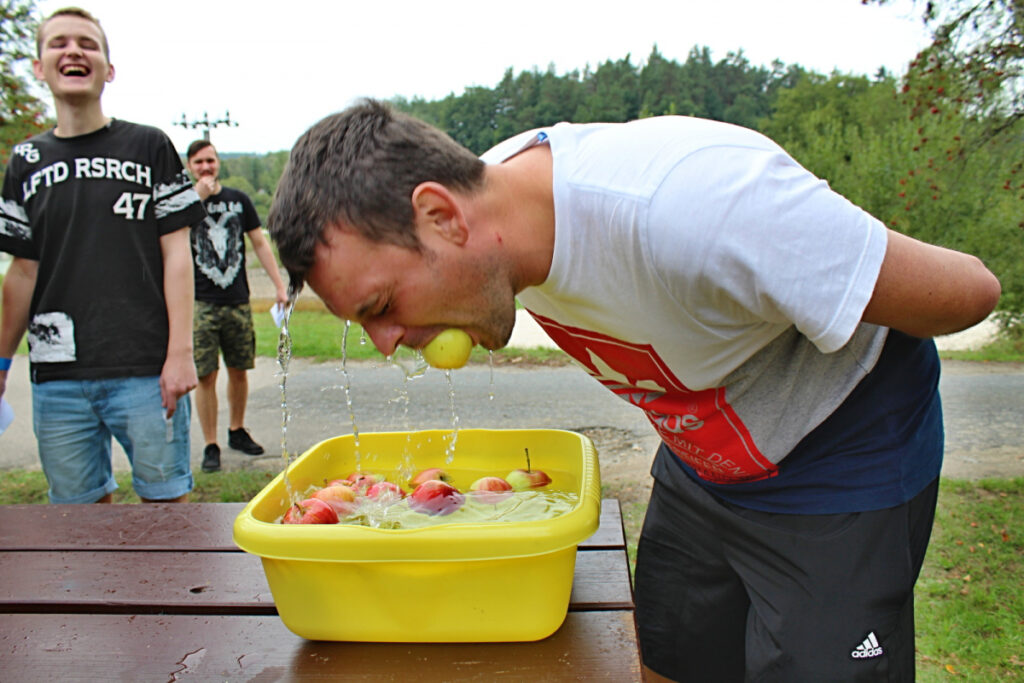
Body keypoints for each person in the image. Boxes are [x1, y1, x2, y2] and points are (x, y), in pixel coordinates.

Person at [265, 99, 1000, 681]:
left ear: (442, 217)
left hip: (842, 462)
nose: (385, 342)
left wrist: (827, 267)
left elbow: (971, 291)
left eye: (381, 306)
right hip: (700, 462)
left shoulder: (696, 207)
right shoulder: (493, 217)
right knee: (666, 661)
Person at [0, 7, 206, 504]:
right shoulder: (25, 161)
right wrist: (1, 362)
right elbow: (22, 272)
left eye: (87, 44)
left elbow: (177, 254)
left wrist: (180, 354)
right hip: (58, 377)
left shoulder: (149, 145)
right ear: (39, 67)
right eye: (59, 43)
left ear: (109, 70)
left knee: (167, 508)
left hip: (146, 368)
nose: (74, 51)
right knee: (78, 520)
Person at [185, 139, 287, 473]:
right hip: (201, 302)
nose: (206, 167)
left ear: (218, 163)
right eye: (199, 162)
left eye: (210, 160)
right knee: (206, 375)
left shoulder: (238, 200)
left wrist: (279, 284)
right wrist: (197, 199)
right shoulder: (185, 203)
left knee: (239, 369)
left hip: (237, 300)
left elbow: (259, 242)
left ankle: (237, 429)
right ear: (189, 166)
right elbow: (171, 238)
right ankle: (210, 443)